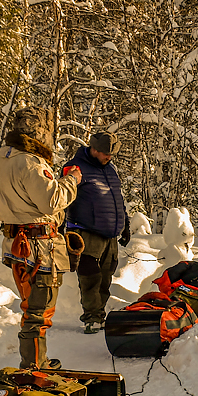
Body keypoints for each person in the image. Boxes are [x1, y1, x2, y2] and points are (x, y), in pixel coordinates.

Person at [0, 106, 81, 369]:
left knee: (33, 307)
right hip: (38, 248)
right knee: (38, 312)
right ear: (41, 131)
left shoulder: (5, 156)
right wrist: (71, 181)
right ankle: (34, 367)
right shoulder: (29, 162)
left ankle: (36, 361)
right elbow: (52, 200)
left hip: (19, 244)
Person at [64, 132, 130, 334]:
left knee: (106, 277)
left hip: (110, 233)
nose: (109, 157)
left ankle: (99, 314)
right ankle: (92, 317)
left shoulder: (110, 170)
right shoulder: (75, 168)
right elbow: (62, 197)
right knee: (90, 277)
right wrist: (61, 230)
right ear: (94, 150)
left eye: (111, 154)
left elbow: (116, 199)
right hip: (86, 231)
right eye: (105, 153)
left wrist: (125, 223)